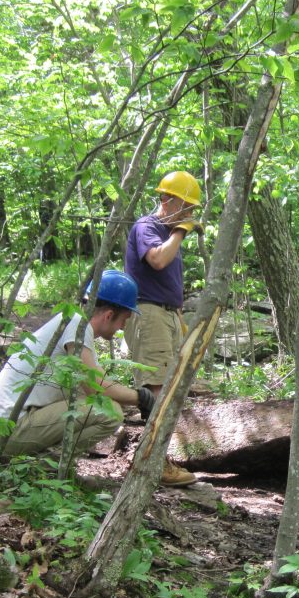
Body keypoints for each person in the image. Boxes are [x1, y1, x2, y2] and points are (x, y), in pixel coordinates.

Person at [0, 270, 156, 459]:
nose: (122, 327)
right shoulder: (76, 325)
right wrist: (140, 398)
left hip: (7, 428)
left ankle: (44, 465)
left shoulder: (74, 324)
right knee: (110, 412)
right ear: (108, 315)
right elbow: (96, 388)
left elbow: (90, 387)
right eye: (124, 319)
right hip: (4, 433)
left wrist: (136, 397)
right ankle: (47, 465)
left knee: (89, 398)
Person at [124, 170, 204, 487]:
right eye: (186, 207)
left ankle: (157, 457)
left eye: (192, 210)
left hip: (167, 314)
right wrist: (181, 232)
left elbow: (168, 275)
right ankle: (154, 462)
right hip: (149, 312)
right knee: (157, 387)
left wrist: (179, 315)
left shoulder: (170, 232)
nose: (190, 215)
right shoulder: (148, 227)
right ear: (167, 201)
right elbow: (157, 260)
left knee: (168, 386)